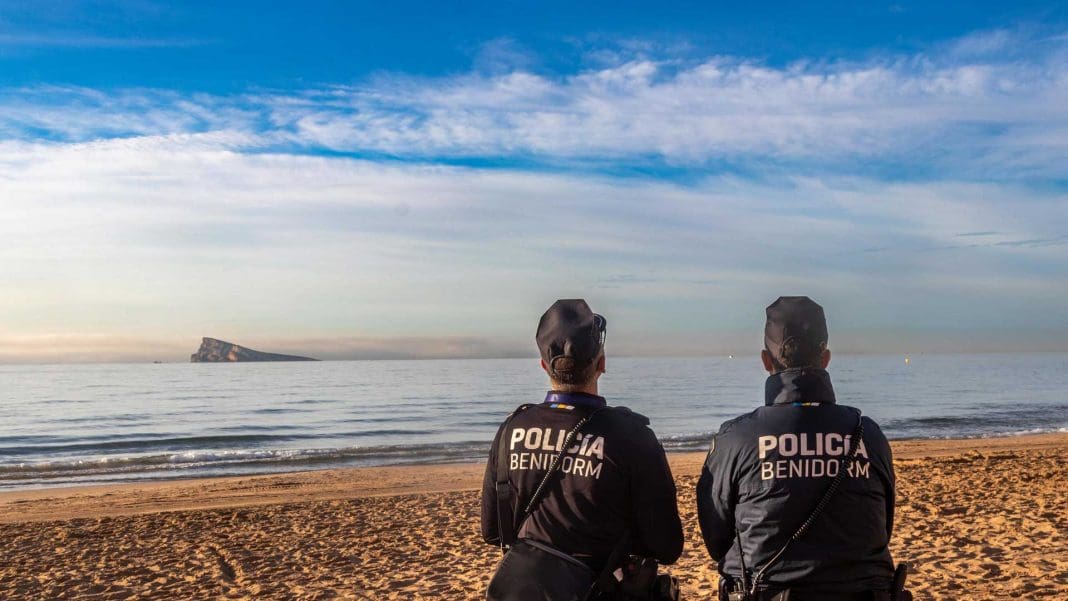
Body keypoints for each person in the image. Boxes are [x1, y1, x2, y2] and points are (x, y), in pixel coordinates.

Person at [697, 296, 899, 601]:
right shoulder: (867, 434)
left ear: (766, 360)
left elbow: (716, 539)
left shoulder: (735, 438)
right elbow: (882, 528)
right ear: (826, 357)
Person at [481, 299, 684, 599]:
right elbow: (666, 546)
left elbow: (493, 530)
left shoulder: (511, 429)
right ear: (601, 363)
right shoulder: (632, 437)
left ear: (542, 365)